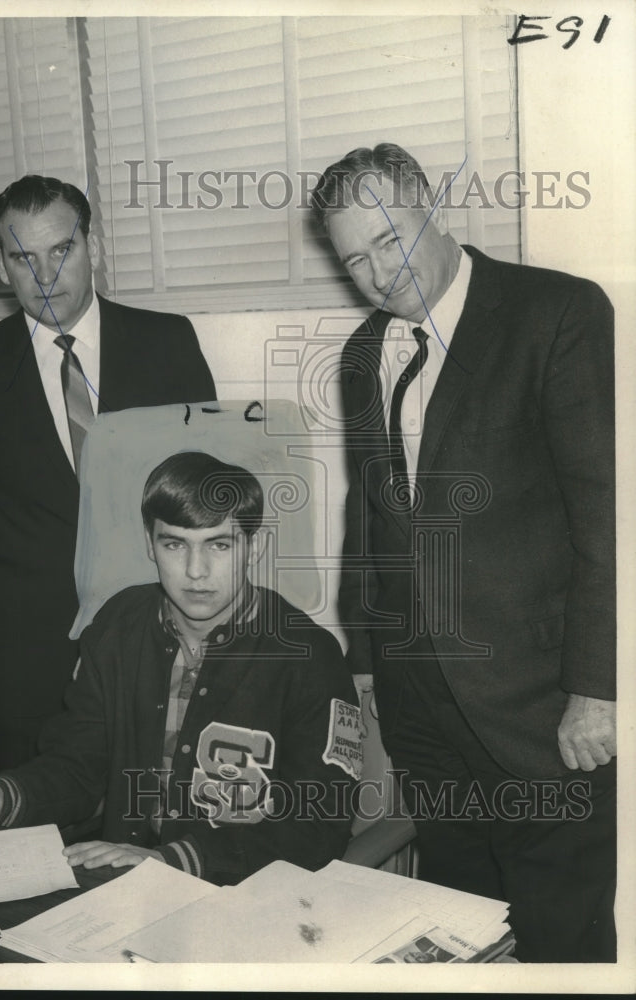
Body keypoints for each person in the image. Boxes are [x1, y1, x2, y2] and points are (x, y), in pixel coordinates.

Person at [311, 143, 616, 962]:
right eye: (354, 260)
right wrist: (369, 659)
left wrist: (598, 685)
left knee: (561, 943)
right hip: (422, 708)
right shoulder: (362, 353)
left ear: (428, 205)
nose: (379, 272)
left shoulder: (554, 312)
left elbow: (605, 511)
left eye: (391, 238)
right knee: (456, 930)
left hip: (539, 707)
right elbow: (369, 511)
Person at [0, 452, 360, 885]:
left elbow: (317, 825)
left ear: (255, 547)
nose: (196, 572)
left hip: (245, 892)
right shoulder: (117, 626)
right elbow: (80, 765)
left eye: (219, 545)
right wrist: (3, 797)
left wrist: (172, 861)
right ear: (149, 544)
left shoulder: (309, 656)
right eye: (175, 544)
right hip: (126, 883)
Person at [0, 176, 216, 773]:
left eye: (62, 250)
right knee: (34, 834)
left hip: (154, 635)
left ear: (95, 247)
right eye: (23, 258)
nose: (46, 276)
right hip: (24, 656)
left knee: (152, 823)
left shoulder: (168, 342)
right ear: (1, 268)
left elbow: (211, 497)